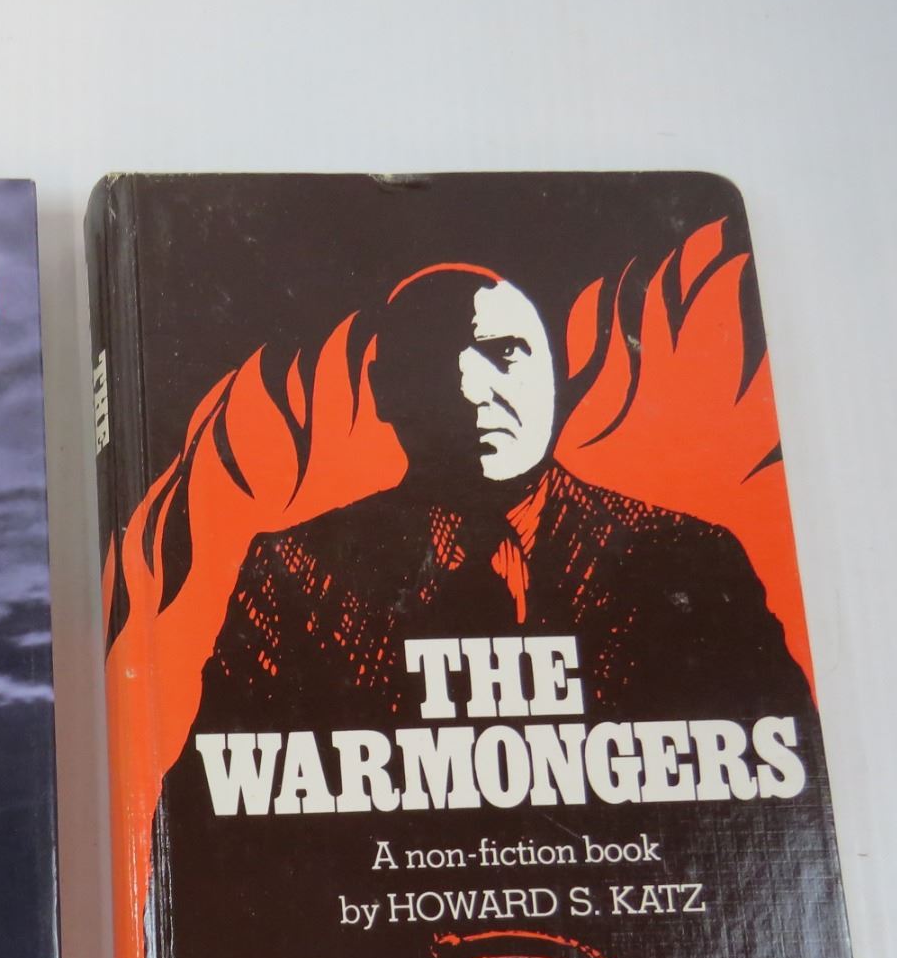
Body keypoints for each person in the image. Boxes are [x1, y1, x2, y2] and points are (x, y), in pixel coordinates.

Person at [194, 264, 810, 728]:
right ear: (383, 392)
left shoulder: (690, 559)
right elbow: (212, 810)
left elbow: (782, 771)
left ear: (562, 373)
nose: (472, 391)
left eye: (505, 353)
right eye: (431, 363)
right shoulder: (295, 574)